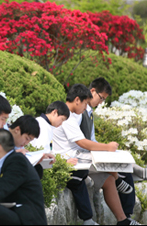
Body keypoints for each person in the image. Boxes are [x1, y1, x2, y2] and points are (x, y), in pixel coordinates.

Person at [52, 84, 140, 226]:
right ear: (77, 100)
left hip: (80, 157)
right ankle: (119, 178)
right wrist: (107, 147)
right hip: (74, 160)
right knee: (112, 164)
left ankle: (123, 220)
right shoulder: (67, 116)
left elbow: (86, 141)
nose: (86, 107)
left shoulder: (74, 115)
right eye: (85, 103)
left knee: (108, 180)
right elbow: (82, 142)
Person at [82, 78, 147, 220]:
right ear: (92, 91)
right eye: (101, 98)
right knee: (123, 173)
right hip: (83, 157)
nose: (101, 102)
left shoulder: (89, 112)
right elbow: (83, 142)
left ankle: (132, 170)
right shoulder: (79, 113)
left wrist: (107, 149)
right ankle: (126, 214)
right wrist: (105, 148)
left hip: (90, 153)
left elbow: (91, 140)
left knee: (121, 164)